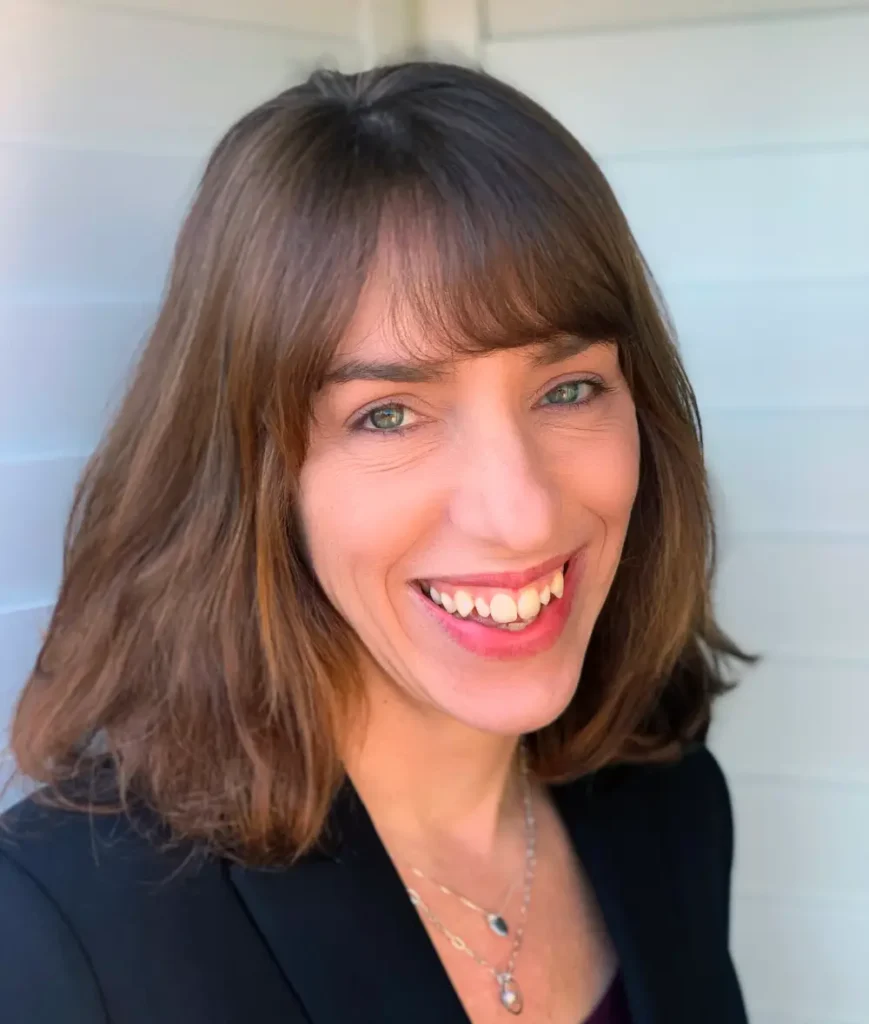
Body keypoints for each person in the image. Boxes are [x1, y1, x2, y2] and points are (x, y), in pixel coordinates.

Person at [0, 61, 751, 1024]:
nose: (518, 514)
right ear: (256, 475)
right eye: (389, 415)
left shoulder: (669, 800)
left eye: (567, 390)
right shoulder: (60, 930)